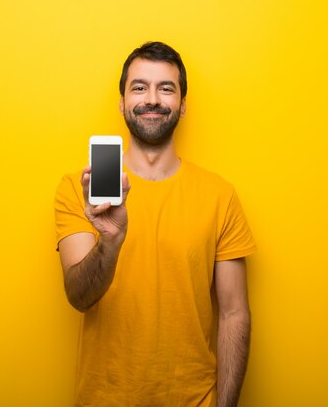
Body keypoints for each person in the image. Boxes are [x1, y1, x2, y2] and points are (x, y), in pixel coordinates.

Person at [54, 41, 256, 407]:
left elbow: (234, 312)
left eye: (166, 88)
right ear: (122, 103)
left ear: (182, 106)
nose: (153, 99)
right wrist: (109, 242)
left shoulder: (220, 195)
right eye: (139, 87)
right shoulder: (79, 191)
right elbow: (79, 297)